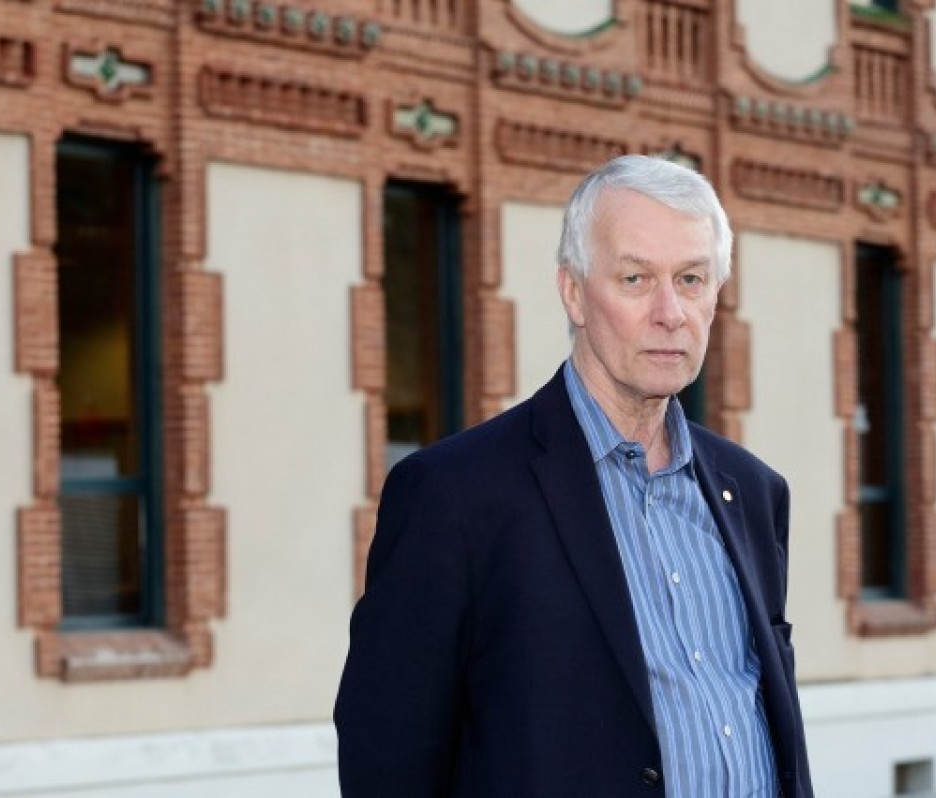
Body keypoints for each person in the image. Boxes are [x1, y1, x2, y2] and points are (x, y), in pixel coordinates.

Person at [335, 155, 813, 797]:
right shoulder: (454, 496)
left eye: (692, 279)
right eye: (636, 278)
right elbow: (388, 761)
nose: (671, 311)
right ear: (573, 292)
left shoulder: (753, 492)